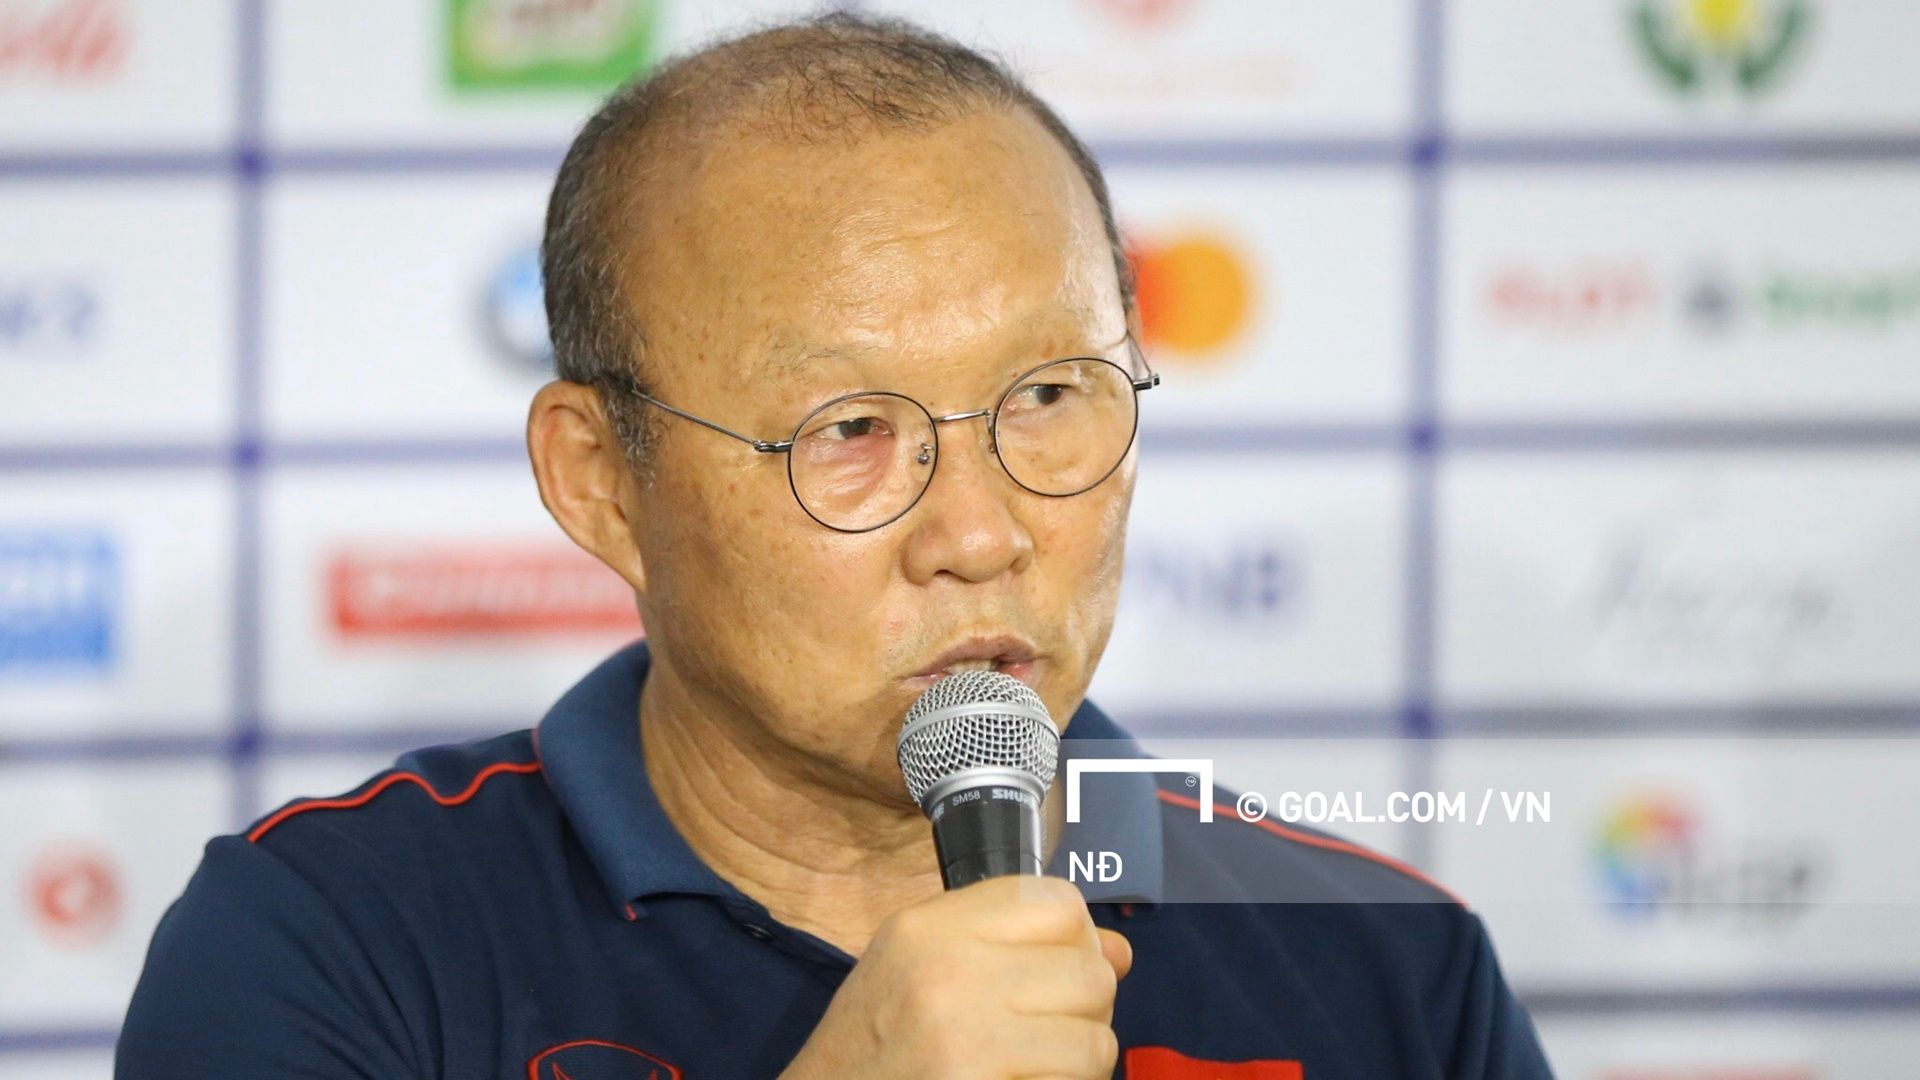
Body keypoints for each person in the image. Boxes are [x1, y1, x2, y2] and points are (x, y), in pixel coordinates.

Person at [118, 14, 1553, 1079]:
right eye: (851, 430)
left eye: (1049, 398)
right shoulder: (329, 950)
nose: (982, 533)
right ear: (599, 481)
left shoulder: (1386, 970)